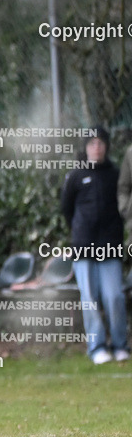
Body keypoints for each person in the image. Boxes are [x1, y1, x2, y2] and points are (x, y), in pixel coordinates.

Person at [61, 126, 128, 364]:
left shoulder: (117, 175)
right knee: (89, 299)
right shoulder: (76, 176)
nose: (96, 147)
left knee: (114, 297)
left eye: (100, 143)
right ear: (86, 147)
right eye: (92, 143)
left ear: (107, 147)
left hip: (110, 247)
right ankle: (97, 347)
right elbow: (67, 209)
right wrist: (80, 232)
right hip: (83, 247)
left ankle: (120, 345)